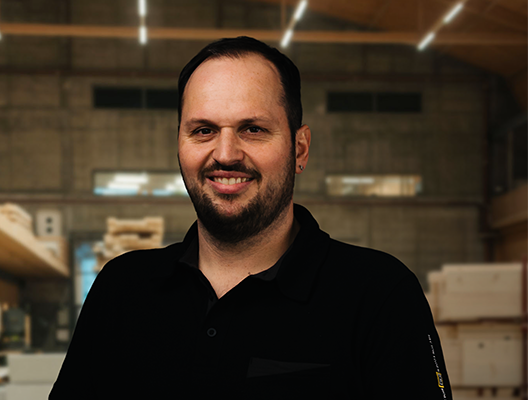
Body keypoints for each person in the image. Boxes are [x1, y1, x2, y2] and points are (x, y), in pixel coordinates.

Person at [50, 37, 452, 399]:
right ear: (179, 144)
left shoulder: (380, 295)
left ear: (299, 149)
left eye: (253, 129)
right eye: (203, 130)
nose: (225, 154)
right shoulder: (121, 290)